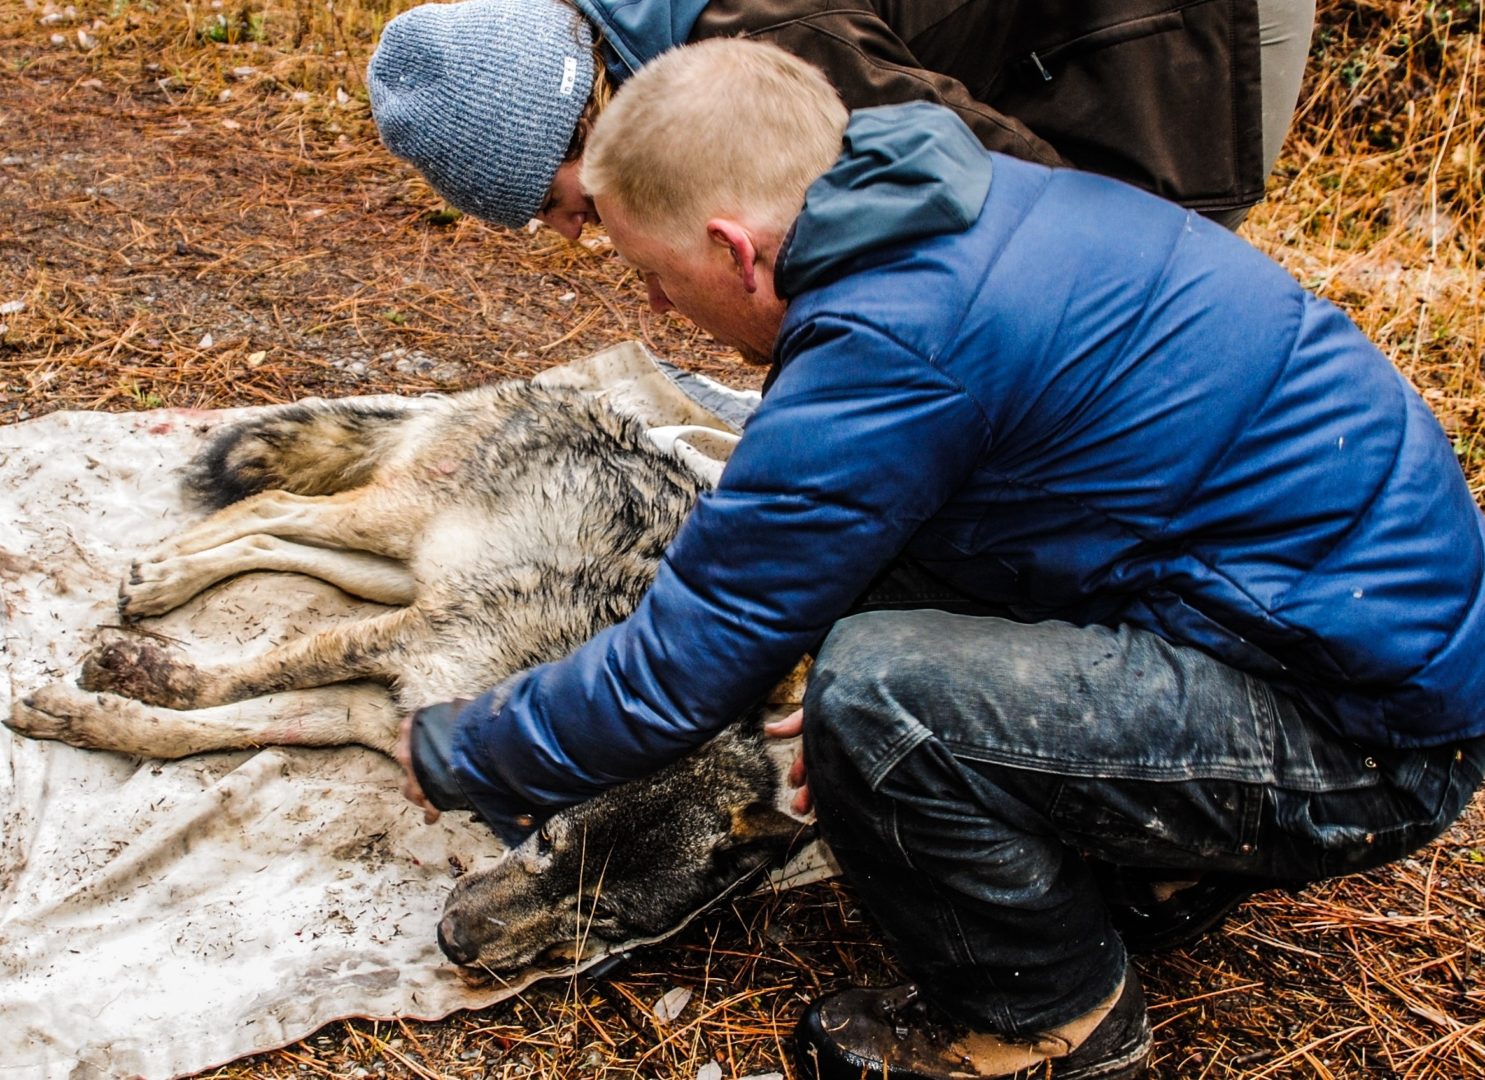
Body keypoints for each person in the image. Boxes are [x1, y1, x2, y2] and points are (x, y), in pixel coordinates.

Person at [396, 38, 1485, 1080]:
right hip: (1330, 631)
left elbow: (690, 657)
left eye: (656, 276)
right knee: (857, 609)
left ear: (734, 247)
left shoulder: (892, 349)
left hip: (1367, 741)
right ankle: (1148, 862)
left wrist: (466, 750)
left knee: (883, 700)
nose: (652, 308)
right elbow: (847, 543)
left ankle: (1051, 1022)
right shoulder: (952, 200)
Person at [365, 0, 1318, 237]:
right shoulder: (668, 44)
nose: (574, 231)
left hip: (1164, 35)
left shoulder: (761, 41)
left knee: (1127, 276)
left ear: (579, 118)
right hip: (1043, 50)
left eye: (553, 203)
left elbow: (996, 184)